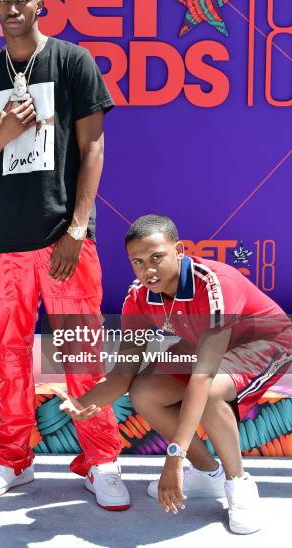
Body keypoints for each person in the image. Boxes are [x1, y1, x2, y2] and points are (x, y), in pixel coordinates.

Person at [0, 0, 128, 510]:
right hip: (6, 242)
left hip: (65, 238)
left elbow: (94, 148)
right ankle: (11, 460)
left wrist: (78, 225)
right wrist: (5, 131)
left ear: (41, 3)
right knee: (10, 355)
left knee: (82, 354)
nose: (12, 8)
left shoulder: (72, 61)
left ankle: (101, 462)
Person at [55, 214, 292, 533]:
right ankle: (208, 475)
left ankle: (239, 484)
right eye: (137, 262)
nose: (147, 270)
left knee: (207, 392)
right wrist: (82, 402)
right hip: (203, 347)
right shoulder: (137, 297)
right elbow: (122, 376)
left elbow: (203, 377)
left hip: (265, 343)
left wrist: (173, 458)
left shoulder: (212, 283)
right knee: (143, 391)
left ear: (179, 250)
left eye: (156, 257)